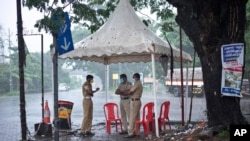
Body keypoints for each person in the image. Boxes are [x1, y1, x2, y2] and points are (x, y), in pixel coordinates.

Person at [124, 73, 143, 138]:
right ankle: (136, 131)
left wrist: (123, 92)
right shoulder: (137, 83)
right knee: (136, 117)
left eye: (133, 76)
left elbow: (131, 92)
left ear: (136, 77)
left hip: (135, 101)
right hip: (137, 101)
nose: (132, 77)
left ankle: (131, 133)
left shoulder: (137, 83)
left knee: (132, 117)